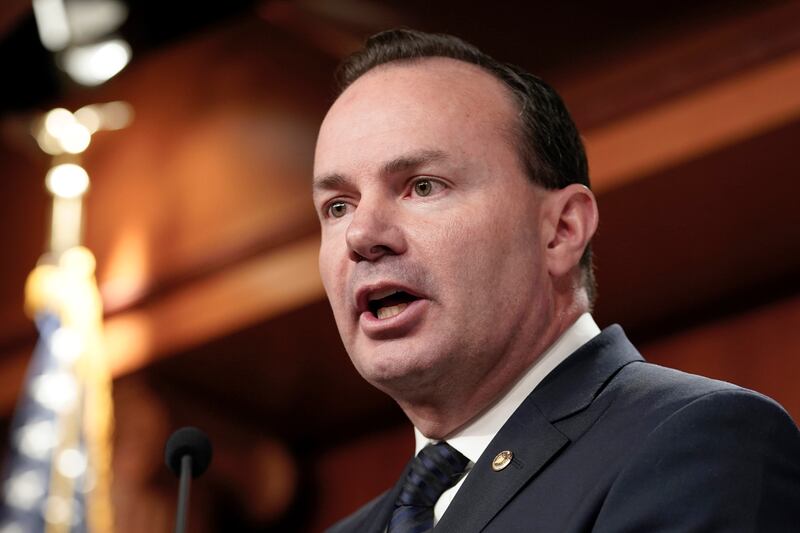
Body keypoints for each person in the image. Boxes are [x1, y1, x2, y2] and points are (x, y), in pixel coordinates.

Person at [312, 29, 800, 532]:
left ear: (561, 231)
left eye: (422, 186)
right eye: (338, 206)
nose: (362, 235)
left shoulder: (698, 442)